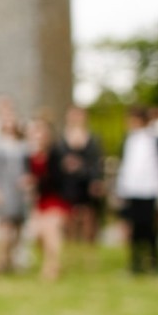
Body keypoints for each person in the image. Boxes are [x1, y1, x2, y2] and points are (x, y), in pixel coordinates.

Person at [115, 106, 158, 274]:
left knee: (150, 228)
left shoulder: (154, 138)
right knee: (134, 229)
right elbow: (126, 167)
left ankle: (154, 262)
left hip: (149, 190)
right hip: (132, 190)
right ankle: (135, 263)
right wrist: (122, 189)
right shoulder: (128, 140)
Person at [0, 109, 28, 273]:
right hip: (2, 189)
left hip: (19, 191)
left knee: (17, 226)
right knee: (3, 225)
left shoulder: (24, 145)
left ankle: (13, 259)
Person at [26, 116, 69, 281]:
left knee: (51, 232)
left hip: (55, 198)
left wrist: (35, 181)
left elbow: (57, 178)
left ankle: (52, 267)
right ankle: (50, 262)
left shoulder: (56, 154)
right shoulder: (31, 155)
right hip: (40, 200)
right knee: (38, 235)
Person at [59, 105, 104, 247]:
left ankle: (89, 247)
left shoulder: (93, 139)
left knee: (88, 215)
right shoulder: (61, 139)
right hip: (68, 183)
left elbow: (97, 161)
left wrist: (96, 180)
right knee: (69, 215)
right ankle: (70, 246)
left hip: (87, 181)